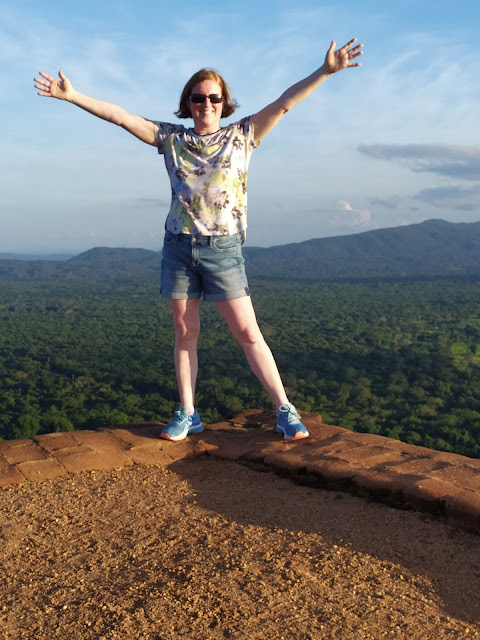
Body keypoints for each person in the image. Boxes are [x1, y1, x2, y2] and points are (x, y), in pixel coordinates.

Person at [34, 38, 363, 442]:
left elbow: (283, 104)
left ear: (224, 103)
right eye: (198, 97)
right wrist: (72, 96)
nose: (206, 103)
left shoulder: (243, 135)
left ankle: (284, 409)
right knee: (184, 333)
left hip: (223, 249)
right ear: (187, 103)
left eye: (213, 97)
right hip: (178, 248)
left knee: (247, 332)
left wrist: (325, 71)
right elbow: (121, 117)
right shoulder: (171, 139)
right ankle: (188, 413)